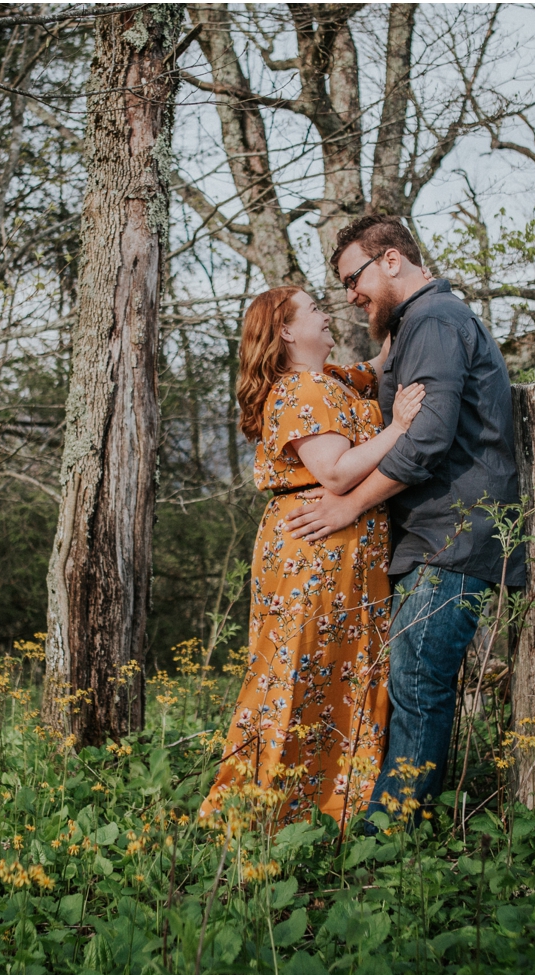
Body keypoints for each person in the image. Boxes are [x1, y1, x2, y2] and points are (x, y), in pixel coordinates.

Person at [284, 216, 525, 819]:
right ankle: (383, 823)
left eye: (352, 278)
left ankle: (393, 839)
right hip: (427, 539)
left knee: (417, 682)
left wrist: (348, 504)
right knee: (407, 680)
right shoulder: (417, 324)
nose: (348, 295)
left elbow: (428, 439)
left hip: (455, 535)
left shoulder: (437, 321)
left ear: (391, 261)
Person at [200, 286, 426, 829]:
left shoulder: (332, 382)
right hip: (316, 549)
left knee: (341, 673)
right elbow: (336, 472)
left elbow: (379, 361)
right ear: (283, 331)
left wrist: (404, 301)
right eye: (315, 311)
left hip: (342, 549)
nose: (328, 316)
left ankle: (324, 812)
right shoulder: (302, 387)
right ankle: (256, 813)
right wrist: (398, 427)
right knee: (300, 672)